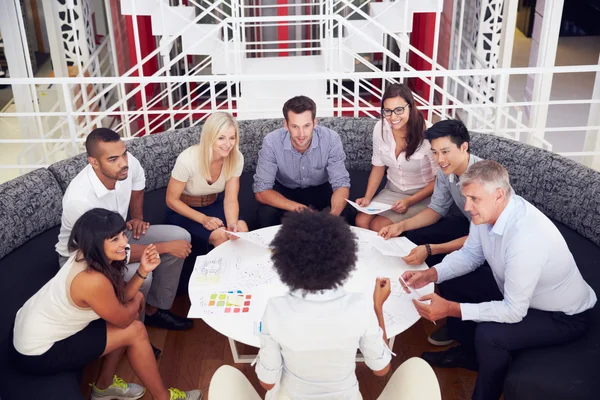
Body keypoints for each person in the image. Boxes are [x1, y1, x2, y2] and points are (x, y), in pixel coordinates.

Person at [399, 161, 597, 400]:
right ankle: (469, 355)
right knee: (454, 281)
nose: (467, 206)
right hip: (520, 292)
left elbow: (514, 311)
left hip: (561, 315)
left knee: (490, 335)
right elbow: (471, 254)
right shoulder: (488, 212)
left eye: (474, 199)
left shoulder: (525, 239)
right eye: (466, 198)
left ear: (499, 194)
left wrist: (450, 309)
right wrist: (430, 274)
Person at [12, 209, 201, 400]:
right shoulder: (91, 279)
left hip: (37, 330)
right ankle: (164, 398)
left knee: (132, 317)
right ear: (95, 242)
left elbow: (122, 298)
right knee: (135, 330)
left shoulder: (91, 256)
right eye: (114, 239)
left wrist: (143, 270)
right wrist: (137, 299)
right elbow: (124, 319)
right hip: (38, 352)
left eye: (121, 235)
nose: (124, 243)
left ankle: (104, 387)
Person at [56, 128, 193, 333]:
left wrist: (137, 217)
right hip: (87, 258)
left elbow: (138, 182)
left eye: (124, 154)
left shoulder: (127, 164)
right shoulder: (80, 200)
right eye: (113, 159)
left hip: (118, 237)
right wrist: (165, 247)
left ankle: (154, 310)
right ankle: (135, 332)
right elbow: (104, 253)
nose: (123, 163)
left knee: (181, 236)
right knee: (143, 277)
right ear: (94, 162)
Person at [254, 210, 393, 399]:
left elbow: (267, 382)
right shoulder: (360, 306)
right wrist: (377, 307)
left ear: (286, 263)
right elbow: (381, 369)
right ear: (344, 261)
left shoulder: (276, 308)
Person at [377, 119, 482, 346]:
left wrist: (430, 249)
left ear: (464, 147)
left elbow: (480, 240)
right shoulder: (446, 171)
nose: (439, 159)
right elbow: (436, 209)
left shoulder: (482, 179)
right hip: (467, 225)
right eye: (434, 152)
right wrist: (400, 226)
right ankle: (403, 299)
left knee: (448, 268)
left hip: (490, 241)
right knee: (411, 238)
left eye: (445, 151)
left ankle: (456, 332)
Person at [253, 96, 351, 227]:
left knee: (346, 213)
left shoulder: (331, 139)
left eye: (306, 126)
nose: (301, 134)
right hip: (286, 191)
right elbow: (261, 191)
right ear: (286, 125)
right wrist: (299, 209)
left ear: (315, 123)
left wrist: (332, 217)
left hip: (321, 189)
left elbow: (341, 184)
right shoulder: (271, 142)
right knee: (266, 213)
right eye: (294, 126)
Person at [355, 83, 437, 232]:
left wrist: (409, 201)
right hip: (393, 190)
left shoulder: (428, 133)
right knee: (361, 221)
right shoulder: (380, 129)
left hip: (422, 195)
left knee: (378, 226)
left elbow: (439, 179)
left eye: (399, 110)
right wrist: (367, 197)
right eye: (387, 111)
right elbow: (378, 166)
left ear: (410, 106)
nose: (393, 117)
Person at [166, 112, 248, 250]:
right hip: (185, 210)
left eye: (232, 138)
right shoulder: (187, 159)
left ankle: (243, 271)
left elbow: (231, 199)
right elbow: (171, 200)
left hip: (215, 204)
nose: (228, 144)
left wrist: (232, 225)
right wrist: (203, 219)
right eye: (221, 138)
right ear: (210, 137)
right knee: (221, 236)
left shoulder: (236, 157)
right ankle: (222, 271)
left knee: (241, 229)